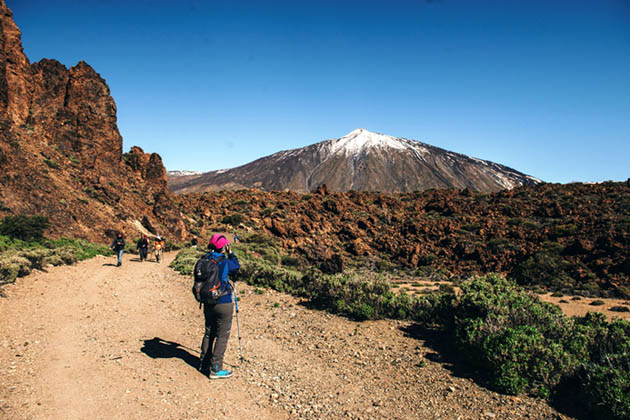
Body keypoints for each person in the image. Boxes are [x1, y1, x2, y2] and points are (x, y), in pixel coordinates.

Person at [199, 233, 240, 379]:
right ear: (224, 246)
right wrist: (232, 253)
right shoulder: (225, 261)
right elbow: (237, 266)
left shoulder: (205, 259)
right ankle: (216, 368)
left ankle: (203, 363)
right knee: (222, 335)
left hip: (208, 301)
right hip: (223, 302)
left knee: (209, 332)